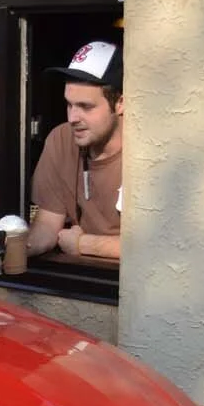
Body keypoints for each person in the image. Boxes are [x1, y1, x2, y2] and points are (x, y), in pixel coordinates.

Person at [25, 40, 123, 263]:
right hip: (80, 278)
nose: (72, 118)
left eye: (86, 107)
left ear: (120, 104)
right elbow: (48, 226)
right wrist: (10, 250)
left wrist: (82, 243)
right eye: (69, 104)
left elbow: (158, 246)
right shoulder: (61, 139)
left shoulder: (148, 152)